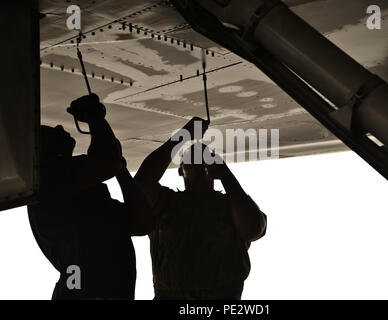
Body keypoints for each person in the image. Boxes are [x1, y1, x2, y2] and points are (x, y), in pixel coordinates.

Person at [28, 94, 150, 300]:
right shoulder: (49, 179)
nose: (58, 127)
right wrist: (94, 117)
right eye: (46, 132)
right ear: (41, 153)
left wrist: (120, 168)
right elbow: (108, 162)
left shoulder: (64, 185)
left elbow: (142, 223)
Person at [134, 117, 267, 299]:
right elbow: (141, 185)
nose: (199, 161)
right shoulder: (166, 202)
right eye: (191, 158)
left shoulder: (233, 205)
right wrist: (183, 135)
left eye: (205, 158)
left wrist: (226, 176)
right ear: (181, 170)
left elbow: (254, 228)